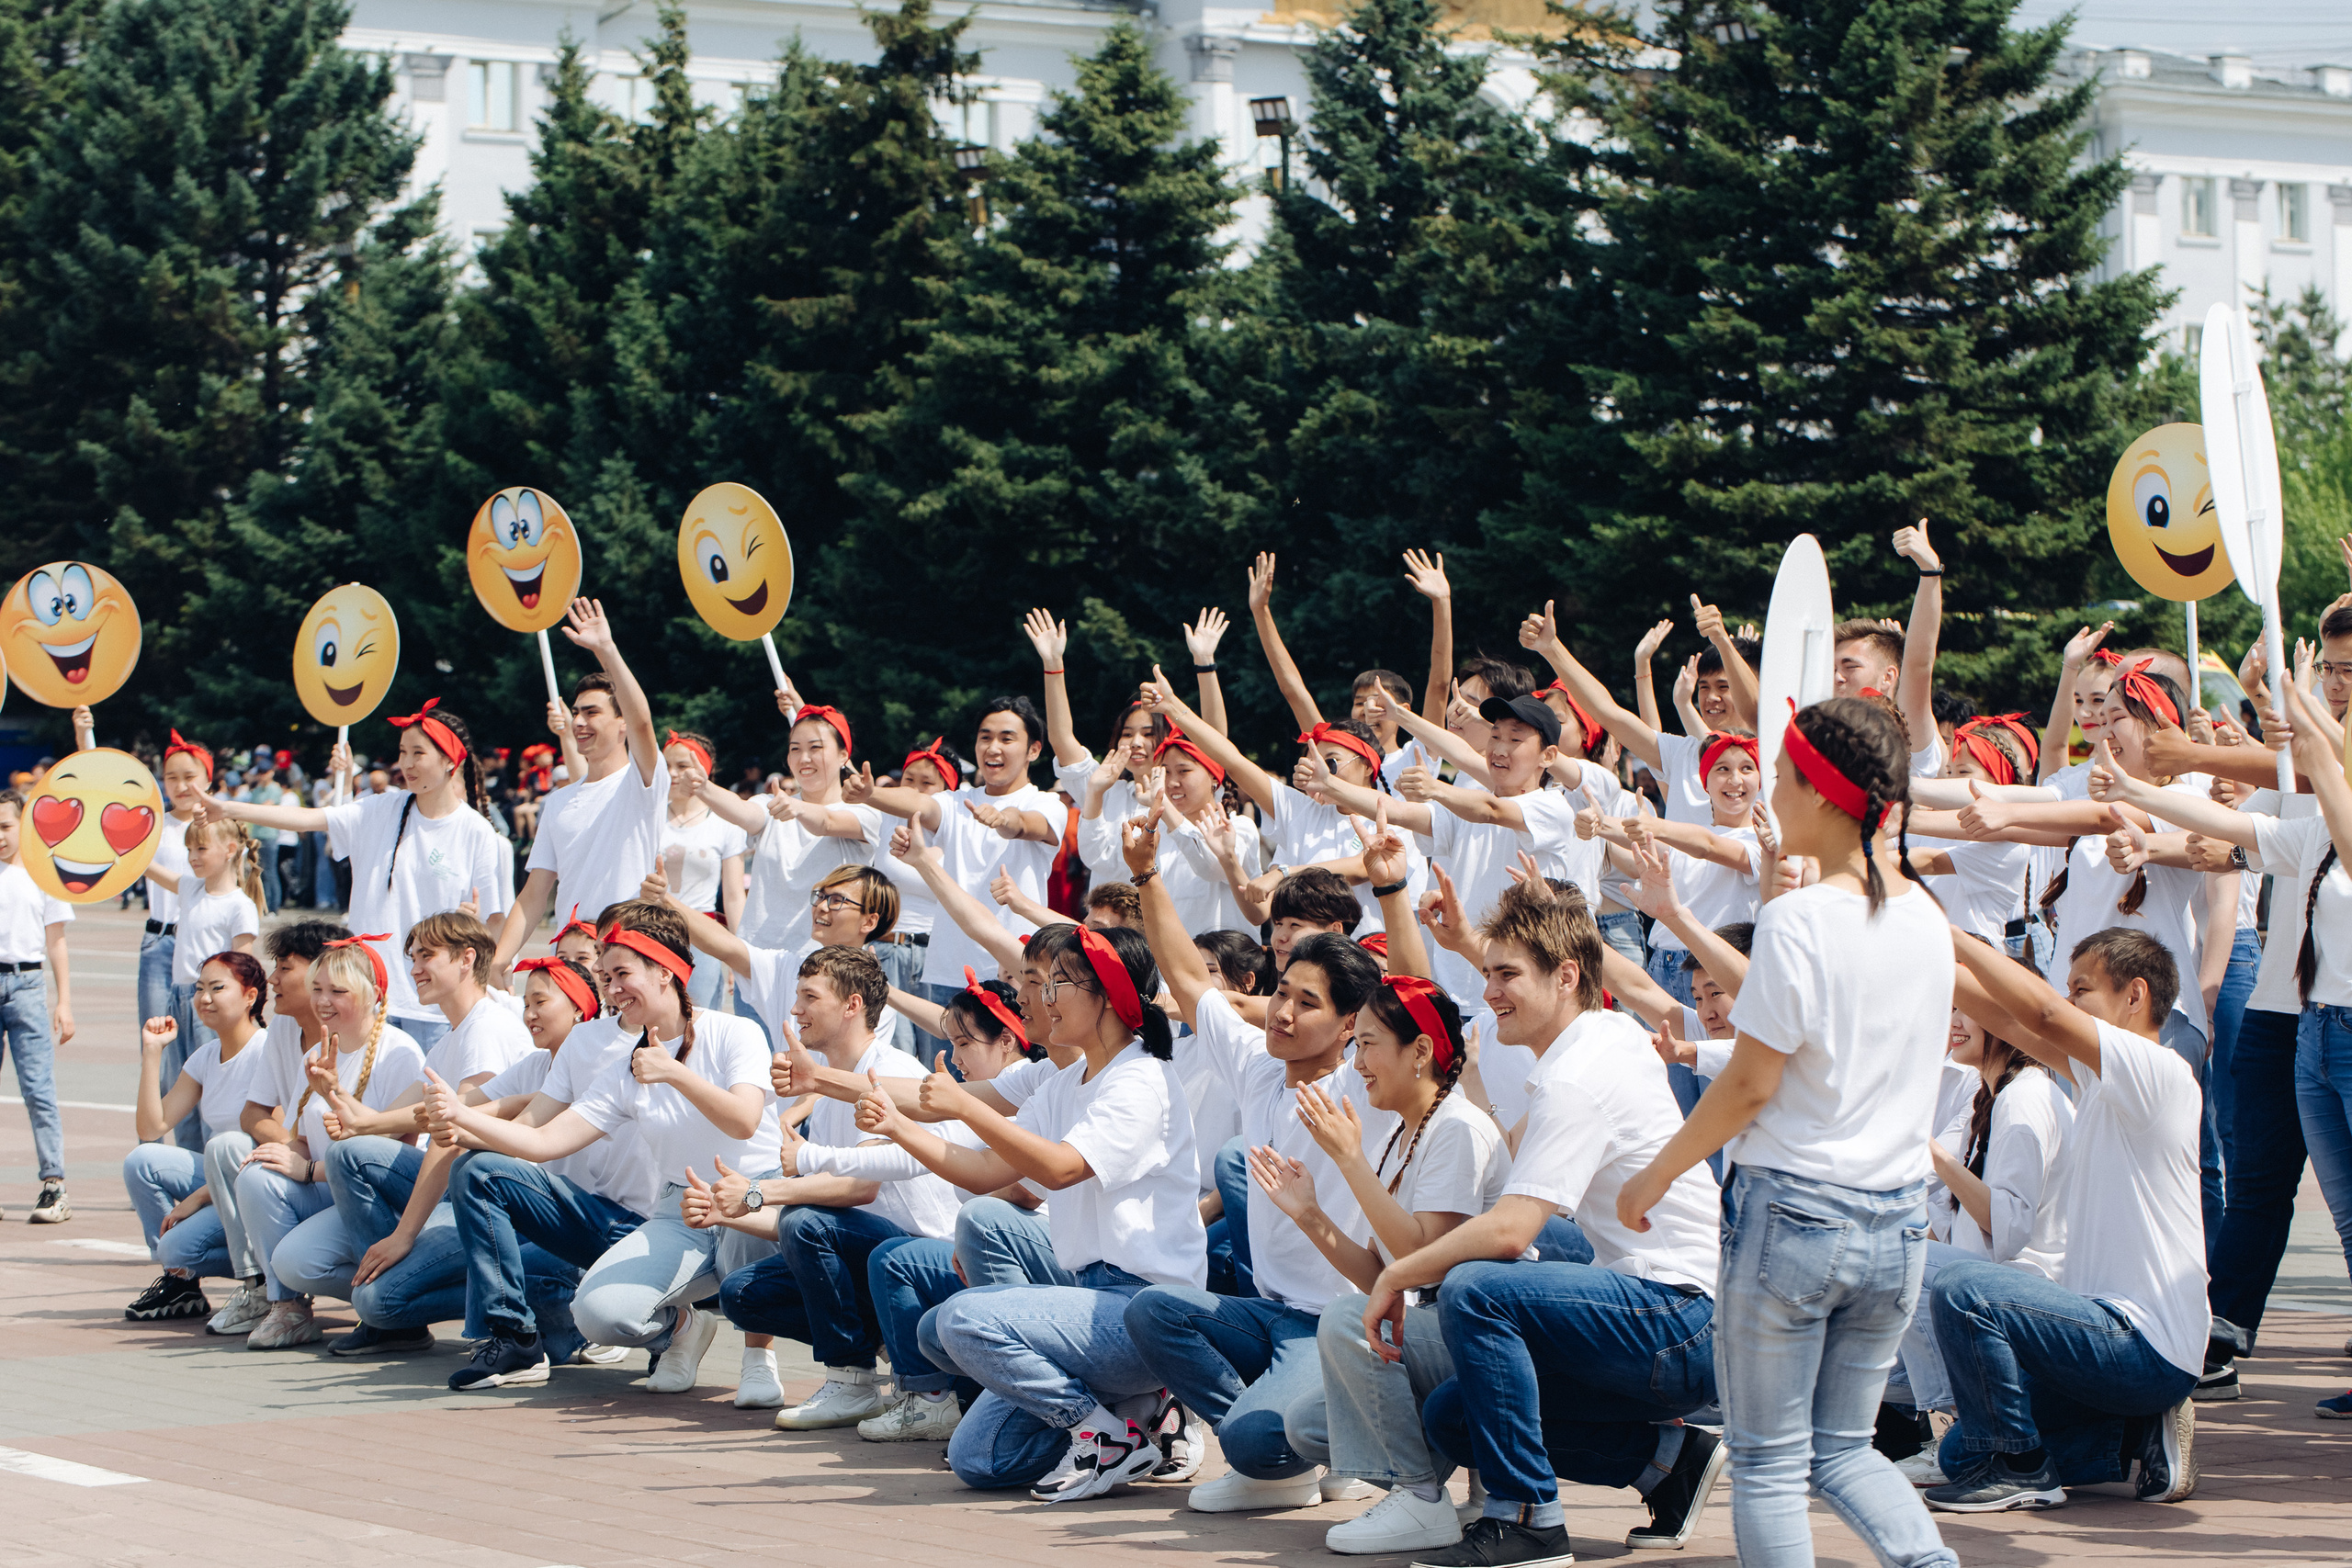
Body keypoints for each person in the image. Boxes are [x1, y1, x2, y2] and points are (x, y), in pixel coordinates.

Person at [1616, 696, 1957, 1568]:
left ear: (1822, 791)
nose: (1768, 791)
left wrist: (1654, 1176)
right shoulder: (1922, 913)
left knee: (1769, 1460)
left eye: (1780, 777)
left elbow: (1751, 1082)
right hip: (1897, 1221)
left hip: (1796, 1213)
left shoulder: (1800, 920)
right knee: (1843, 1446)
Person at [847, 922, 1205, 1500]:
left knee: (963, 1320)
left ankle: (1106, 1434)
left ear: (1107, 992)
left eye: (1056, 982)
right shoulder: (1070, 1081)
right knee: (980, 1457)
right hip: (1091, 1299)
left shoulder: (1140, 1078)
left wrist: (964, 1105)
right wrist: (899, 1128)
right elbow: (988, 1172)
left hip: (1144, 1311)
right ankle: (1132, 1409)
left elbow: (1060, 1168)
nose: (1036, 997)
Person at [1123, 807, 1407, 1513]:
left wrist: (1393, 893)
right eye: (1281, 991)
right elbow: (1190, 979)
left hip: (1339, 1323)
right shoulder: (1258, 1065)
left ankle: (1297, 1445)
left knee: (1250, 1441)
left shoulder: (1364, 1087)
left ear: (1350, 1025)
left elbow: (1421, 1005)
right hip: (1270, 1312)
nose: (1281, 1011)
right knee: (1155, 1312)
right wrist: (1147, 873)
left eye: (1306, 1003)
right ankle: (1291, 1448)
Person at [1244, 898, 1512, 1554]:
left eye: (1367, 1044)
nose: (1356, 1062)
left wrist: (1347, 1159)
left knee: (1342, 1321)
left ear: (1420, 1051)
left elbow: (1426, 1258)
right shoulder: (1403, 1133)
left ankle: (1421, 1496)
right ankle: (1462, 1479)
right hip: (1436, 1326)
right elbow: (1379, 1271)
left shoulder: (1455, 1127)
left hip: (1490, 1336)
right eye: (1356, 1042)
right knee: (1309, 1428)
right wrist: (1309, 1213)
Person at [423, 901, 776, 1394]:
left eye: (622, 974)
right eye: (605, 977)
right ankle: (683, 1330)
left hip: (757, 1197)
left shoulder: (733, 1031)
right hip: (679, 1211)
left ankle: (760, 1361)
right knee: (597, 1316)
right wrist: (461, 1117)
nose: (611, 990)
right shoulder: (622, 1068)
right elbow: (543, 1140)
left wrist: (674, 1071)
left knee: (750, 1259)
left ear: (665, 971)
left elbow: (743, 1122)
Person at [1922, 930, 2203, 1508]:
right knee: (1962, 1454)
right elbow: (2014, 1022)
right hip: (2104, 1343)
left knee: (1961, 1288)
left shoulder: (2158, 1071)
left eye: (2083, 989)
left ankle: (2025, 1471)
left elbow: (2043, 1014)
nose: (2069, 1001)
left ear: (2136, 996)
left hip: (2141, 1345)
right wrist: (1917, 944)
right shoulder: (2102, 1081)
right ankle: (2135, 1431)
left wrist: (1950, 935)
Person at [691, 946, 960, 1429]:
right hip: (873, 1256)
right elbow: (818, 1225)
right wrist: (725, 1209)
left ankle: (854, 1380)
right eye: (797, 996)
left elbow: (858, 1189)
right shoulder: (831, 1089)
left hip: (922, 1261)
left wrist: (759, 1192)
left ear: (853, 1005)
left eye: (809, 997)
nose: (795, 1010)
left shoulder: (891, 1072)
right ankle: (875, 1346)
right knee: (743, 1295)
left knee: (806, 1218)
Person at [332, 953, 619, 1371]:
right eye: (525, 1003)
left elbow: (487, 1126)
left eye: (541, 1002)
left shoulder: (601, 1068)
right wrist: (367, 1122)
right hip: (505, 1219)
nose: (529, 1014)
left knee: (378, 1301)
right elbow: (456, 1111)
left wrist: (469, 1125)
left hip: (570, 1229)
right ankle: (490, 1297)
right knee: (351, 1156)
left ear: (580, 1006)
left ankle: (525, 1315)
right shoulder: (534, 1065)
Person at [203, 698, 508, 1054]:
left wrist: (472, 935)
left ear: (449, 761)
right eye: (402, 752)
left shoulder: (476, 832)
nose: (406, 764)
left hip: (435, 1011)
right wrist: (227, 808)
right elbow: (310, 819)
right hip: (367, 999)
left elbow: (494, 921)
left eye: (418, 754)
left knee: (426, 1108)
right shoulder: (380, 809)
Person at [303, 912, 537, 1353]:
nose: (414, 969)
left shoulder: (485, 1029)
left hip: (493, 1201)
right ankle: (394, 1290)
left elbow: (451, 1136)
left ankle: (522, 1292)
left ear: (467, 959)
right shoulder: (453, 1036)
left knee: (376, 1301)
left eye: (426, 956)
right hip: (459, 1189)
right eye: (412, 957)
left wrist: (404, 1235)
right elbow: (393, 1119)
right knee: (349, 1154)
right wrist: (335, 1093)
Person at [857, 971, 1055, 1443]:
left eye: (965, 1044)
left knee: (899, 1257)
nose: (956, 1058)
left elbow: (1028, 1191)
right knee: (931, 1318)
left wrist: (808, 1158)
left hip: (1046, 1258)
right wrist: (821, 1081)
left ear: (1007, 1040)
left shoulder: (1023, 1087)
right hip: (1000, 1250)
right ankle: (961, 1399)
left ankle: (941, 1401)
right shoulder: (1005, 1085)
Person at [1890, 1008, 2073, 1487]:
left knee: (1899, 1259)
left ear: (2007, 1023)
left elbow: (2007, 1230)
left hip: (2024, 1297)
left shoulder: (2025, 1100)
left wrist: (1932, 1153)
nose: (1952, 1020)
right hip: (1986, 1290)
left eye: (1967, 1011)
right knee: (1848, 1364)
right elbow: (1913, 1177)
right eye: (1948, 1008)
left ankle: (1948, 1426)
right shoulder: (1989, 1094)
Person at [233, 934, 428, 1348]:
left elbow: (388, 1159)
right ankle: (288, 1308)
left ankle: (402, 1297)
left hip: (379, 1203)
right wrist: (284, 1154)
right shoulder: (317, 1053)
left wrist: (305, 1170)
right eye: (317, 989)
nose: (323, 1001)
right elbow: (305, 1140)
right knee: (255, 1178)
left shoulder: (400, 1054)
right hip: (328, 1191)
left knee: (293, 1260)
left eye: (338, 992)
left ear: (374, 995)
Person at [689, 686, 881, 1040]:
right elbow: (745, 813)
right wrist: (704, 788)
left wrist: (798, 808)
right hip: (757, 965)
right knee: (758, 1079)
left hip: (819, 975)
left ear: (843, 755)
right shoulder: (772, 805)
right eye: (795, 750)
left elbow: (826, 822)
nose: (804, 758)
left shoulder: (863, 815)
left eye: (815, 748)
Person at [493, 601, 669, 976]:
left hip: (631, 956)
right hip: (572, 965)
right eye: (576, 712)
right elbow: (535, 893)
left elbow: (642, 722)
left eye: (592, 712)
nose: (579, 721)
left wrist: (606, 649)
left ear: (620, 723)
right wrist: (499, 959)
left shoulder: (641, 781)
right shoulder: (558, 802)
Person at [120, 952, 275, 1319]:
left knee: (178, 1245)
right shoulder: (206, 1056)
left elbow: (270, 1143)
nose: (204, 998)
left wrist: (198, 1198)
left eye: (217, 988)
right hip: (222, 1176)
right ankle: (181, 1285)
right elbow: (151, 1128)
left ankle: (266, 1278)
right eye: (199, 988)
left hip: (259, 1180)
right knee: (141, 1160)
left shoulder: (267, 1051)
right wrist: (152, 1053)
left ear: (250, 996)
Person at [0, 787, 74, 1223]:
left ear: (24, 826)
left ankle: (54, 1185)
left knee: (38, 1090)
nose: (0, 836)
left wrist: (64, 1001)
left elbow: (57, 942)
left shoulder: (43, 873)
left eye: (7, 826)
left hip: (27, 984)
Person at [659, 730, 747, 1010]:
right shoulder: (649, 817)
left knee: (699, 1021)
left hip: (703, 938)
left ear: (703, 769)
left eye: (682, 766)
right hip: (653, 931)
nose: (672, 774)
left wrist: (739, 954)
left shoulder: (725, 823)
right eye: (667, 766)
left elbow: (734, 896)